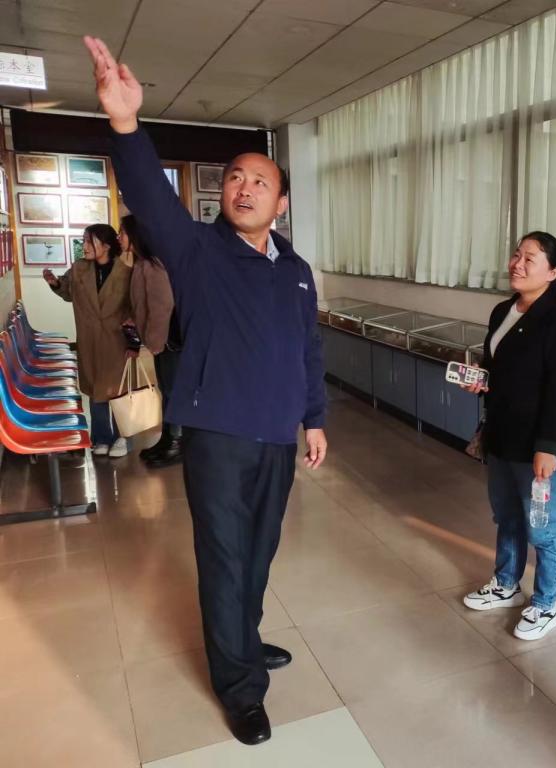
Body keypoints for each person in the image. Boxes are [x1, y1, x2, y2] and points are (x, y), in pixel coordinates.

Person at [85, 35, 327, 747]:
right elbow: (150, 197)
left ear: (281, 201)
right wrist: (126, 123)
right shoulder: (196, 250)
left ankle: (242, 638)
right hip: (218, 435)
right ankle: (241, 687)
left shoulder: (296, 271)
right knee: (224, 559)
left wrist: (314, 417)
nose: (243, 188)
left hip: (277, 436)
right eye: (234, 179)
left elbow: (307, 350)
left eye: (259, 181)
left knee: (259, 552)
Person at [461, 232, 556, 642]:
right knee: (507, 516)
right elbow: (498, 368)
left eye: (530, 258)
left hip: (536, 446)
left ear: (553, 272)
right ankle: (506, 583)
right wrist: (482, 380)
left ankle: (546, 604)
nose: (517, 263)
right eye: (516, 255)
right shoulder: (503, 311)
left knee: (542, 528)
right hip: (501, 435)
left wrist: (550, 448)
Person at [43, 223, 133, 458]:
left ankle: (123, 437)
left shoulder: (125, 268)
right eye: (83, 240)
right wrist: (55, 283)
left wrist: (135, 336)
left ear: (106, 245)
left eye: (88, 241)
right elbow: (68, 292)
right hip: (89, 338)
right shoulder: (79, 268)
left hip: (116, 339)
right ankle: (101, 438)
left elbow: (135, 303)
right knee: (95, 388)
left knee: (118, 390)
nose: (83, 246)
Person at [120, 214, 182, 467]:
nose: (119, 237)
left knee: (172, 391)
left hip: (169, 340)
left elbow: (161, 306)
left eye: (123, 232)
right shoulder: (142, 262)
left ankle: (176, 442)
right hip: (162, 340)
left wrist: (155, 342)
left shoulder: (154, 264)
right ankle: (167, 440)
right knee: (166, 390)